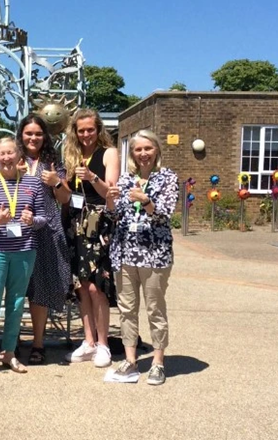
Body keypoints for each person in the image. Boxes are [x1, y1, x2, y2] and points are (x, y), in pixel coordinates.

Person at [106, 130, 178, 385]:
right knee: (127, 309)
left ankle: (158, 361)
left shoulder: (167, 178)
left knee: (155, 309)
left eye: (148, 148)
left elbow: (166, 213)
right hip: (125, 253)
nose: (143, 154)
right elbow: (116, 218)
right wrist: (111, 203)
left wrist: (146, 201)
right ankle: (131, 360)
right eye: (138, 149)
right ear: (132, 153)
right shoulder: (126, 180)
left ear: (157, 149)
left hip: (155, 255)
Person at [0, 137, 47, 379]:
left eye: (10, 153)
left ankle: (8, 351)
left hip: (24, 250)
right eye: (2, 154)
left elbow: (43, 218)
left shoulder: (33, 184)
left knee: (16, 304)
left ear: (19, 157)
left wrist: (31, 220)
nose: (6, 158)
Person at [63, 108, 120, 368]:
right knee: (81, 285)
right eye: (81, 130)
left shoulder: (108, 153)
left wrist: (92, 177)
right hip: (76, 223)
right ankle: (89, 341)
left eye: (90, 129)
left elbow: (112, 193)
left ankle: (104, 343)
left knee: (98, 286)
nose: (86, 134)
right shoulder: (73, 155)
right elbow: (66, 192)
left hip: (99, 224)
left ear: (99, 130)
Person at [15, 115, 72, 365]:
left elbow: (65, 199)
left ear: (45, 137)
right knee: (15, 288)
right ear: (21, 135)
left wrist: (56, 182)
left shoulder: (52, 163)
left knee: (40, 290)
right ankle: (11, 341)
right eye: (28, 133)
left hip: (46, 230)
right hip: (15, 231)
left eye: (38, 133)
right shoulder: (12, 159)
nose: (33, 138)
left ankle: (37, 343)